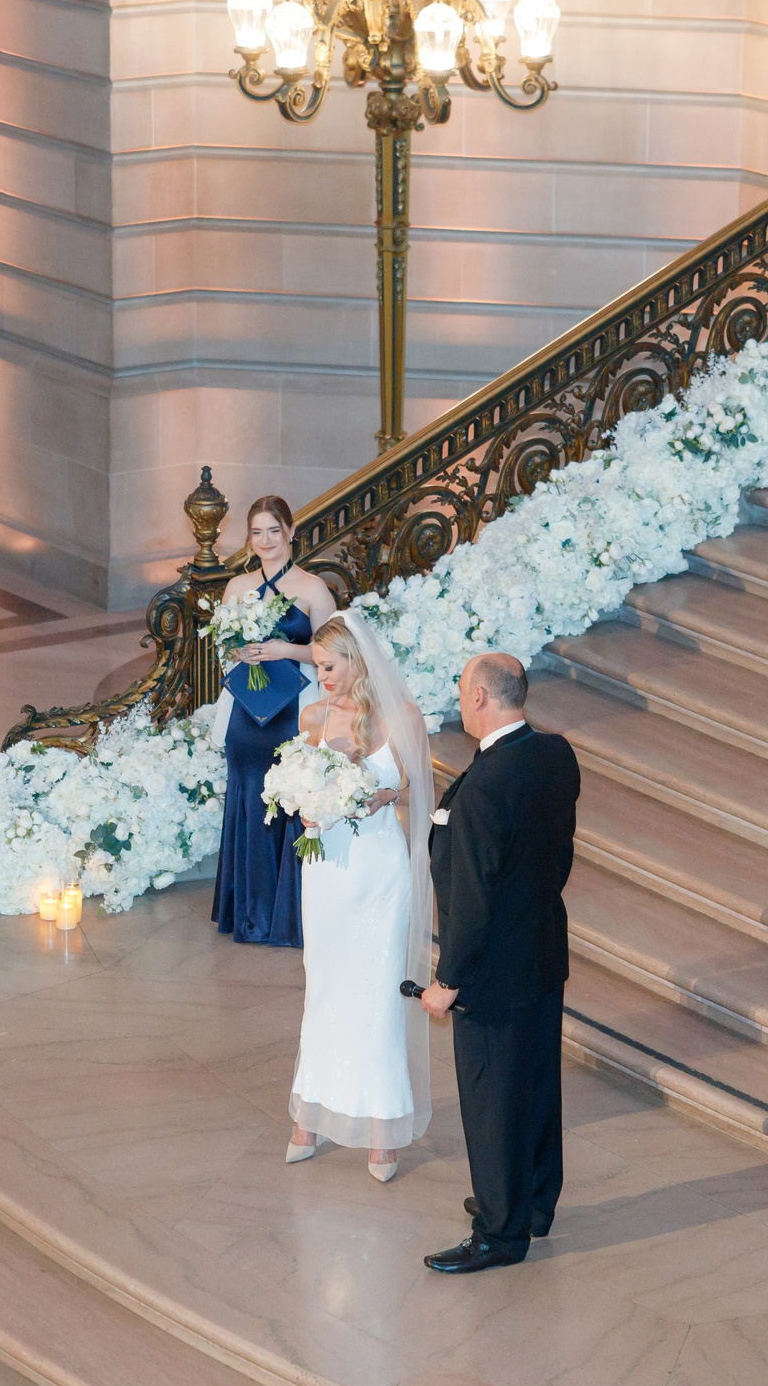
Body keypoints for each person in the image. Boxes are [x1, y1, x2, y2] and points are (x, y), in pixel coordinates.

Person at [419, 653, 579, 1273]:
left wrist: (447, 981)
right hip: (541, 947)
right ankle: (532, 1202)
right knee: (536, 1083)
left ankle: (499, 1229)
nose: (460, 704)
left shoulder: (487, 786)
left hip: (491, 970)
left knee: (492, 1099)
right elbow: (554, 856)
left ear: (482, 698)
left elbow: (474, 896)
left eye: (463, 693)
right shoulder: (554, 754)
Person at [283, 613, 435, 1182]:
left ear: (356, 660)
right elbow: (300, 784)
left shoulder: (404, 718)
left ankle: (382, 1131)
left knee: (376, 995)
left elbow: (415, 789)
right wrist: (304, 805)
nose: (321, 676)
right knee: (323, 989)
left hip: (378, 871)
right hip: (327, 873)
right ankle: (310, 1116)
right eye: (317, 666)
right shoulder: (314, 716)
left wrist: (384, 795)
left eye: (329, 665)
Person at [211, 496, 335, 948]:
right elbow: (223, 649)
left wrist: (287, 651)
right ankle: (247, 913)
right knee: (248, 794)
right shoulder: (237, 586)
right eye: (257, 532)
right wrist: (240, 651)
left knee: (288, 796)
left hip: (294, 707)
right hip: (247, 709)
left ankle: (285, 917)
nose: (265, 541)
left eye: (273, 531)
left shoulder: (313, 588)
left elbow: (332, 653)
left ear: (290, 532)